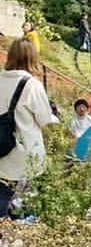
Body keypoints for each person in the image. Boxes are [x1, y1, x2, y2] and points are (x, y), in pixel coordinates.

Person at [0, 37, 55, 218]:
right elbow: (45, 119)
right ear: (32, 58)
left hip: (2, 151)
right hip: (25, 155)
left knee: (3, 203)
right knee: (27, 206)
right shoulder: (31, 85)